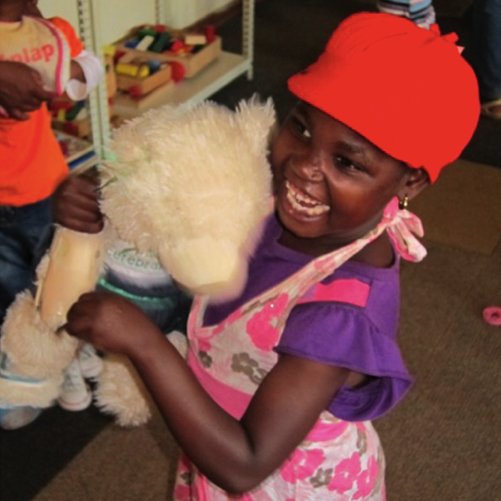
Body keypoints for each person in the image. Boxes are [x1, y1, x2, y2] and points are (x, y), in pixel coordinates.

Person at [54, 12, 479, 500]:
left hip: (280, 479)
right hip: (211, 427)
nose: (302, 166)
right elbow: (172, 210)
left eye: (346, 162)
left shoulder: (341, 314)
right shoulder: (277, 196)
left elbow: (244, 464)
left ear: (410, 182)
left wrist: (144, 343)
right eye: (300, 128)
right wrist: (99, 201)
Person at [0, 0, 103, 429]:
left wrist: (69, 73)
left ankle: (72, 351)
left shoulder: (46, 30)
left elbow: (88, 68)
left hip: (45, 190)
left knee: (61, 281)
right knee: (13, 290)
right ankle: (33, 365)